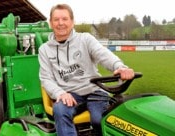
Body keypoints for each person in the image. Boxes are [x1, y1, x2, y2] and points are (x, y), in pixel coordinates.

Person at [38, 4, 134, 136]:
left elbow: (103, 55)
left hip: (94, 91)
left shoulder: (85, 39)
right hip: (69, 95)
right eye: (56, 19)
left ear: (72, 22)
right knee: (60, 110)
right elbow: (46, 78)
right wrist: (60, 93)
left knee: (100, 120)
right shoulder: (44, 49)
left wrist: (119, 67)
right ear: (50, 23)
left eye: (65, 19)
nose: (61, 23)